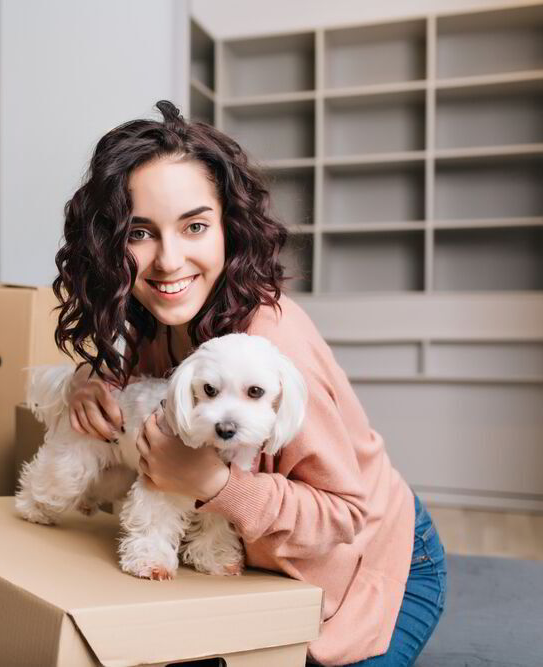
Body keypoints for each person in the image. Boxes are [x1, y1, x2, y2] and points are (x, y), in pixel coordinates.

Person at [51, 100, 447, 666]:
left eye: (194, 226)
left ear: (228, 229)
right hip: (256, 570)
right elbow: (150, 394)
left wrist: (212, 482)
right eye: (141, 233)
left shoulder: (275, 346)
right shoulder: (164, 314)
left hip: (374, 565)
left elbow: (343, 516)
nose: (168, 260)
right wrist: (88, 380)